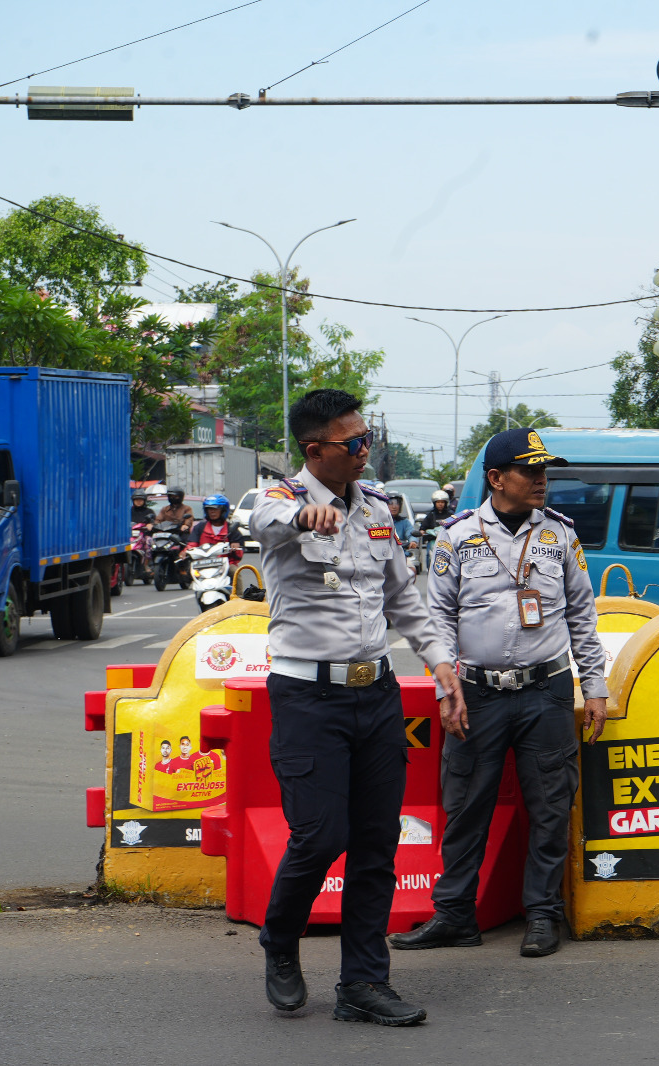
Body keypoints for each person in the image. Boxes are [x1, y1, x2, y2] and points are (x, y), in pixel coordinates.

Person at [249, 387, 461, 1024]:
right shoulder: (278, 498)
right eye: (355, 443)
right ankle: (280, 939)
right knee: (321, 836)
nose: (367, 451)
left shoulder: (377, 507)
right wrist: (301, 519)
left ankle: (363, 985)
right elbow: (261, 523)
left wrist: (439, 659)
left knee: (376, 843)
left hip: (377, 694)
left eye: (368, 439)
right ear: (316, 450)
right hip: (308, 697)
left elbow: (404, 596)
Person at [391, 427, 608, 960]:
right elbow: (437, 615)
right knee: (466, 807)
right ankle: (455, 915)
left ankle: (541, 915)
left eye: (544, 470)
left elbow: (582, 613)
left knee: (551, 806)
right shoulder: (457, 536)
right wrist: (445, 686)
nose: (541, 480)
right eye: (529, 471)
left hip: (547, 691)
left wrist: (595, 685)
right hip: (476, 693)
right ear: (496, 478)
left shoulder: (560, 535)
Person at [183, 494, 242, 563]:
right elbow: (191, 545)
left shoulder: (232, 530)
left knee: (235, 572)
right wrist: (186, 552)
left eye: (215, 509)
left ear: (223, 510)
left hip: (225, 565)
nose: (212, 512)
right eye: (209, 509)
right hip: (201, 564)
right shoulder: (199, 527)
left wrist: (236, 549)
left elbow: (239, 556)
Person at [417, 490, 454, 568]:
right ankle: (429, 568)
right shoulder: (431, 515)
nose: (440, 504)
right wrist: (422, 531)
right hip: (433, 541)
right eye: (438, 502)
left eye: (442, 502)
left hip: (446, 542)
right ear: (434, 503)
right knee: (428, 554)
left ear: (446, 503)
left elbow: (455, 526)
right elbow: (423, 527)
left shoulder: (450, 515)